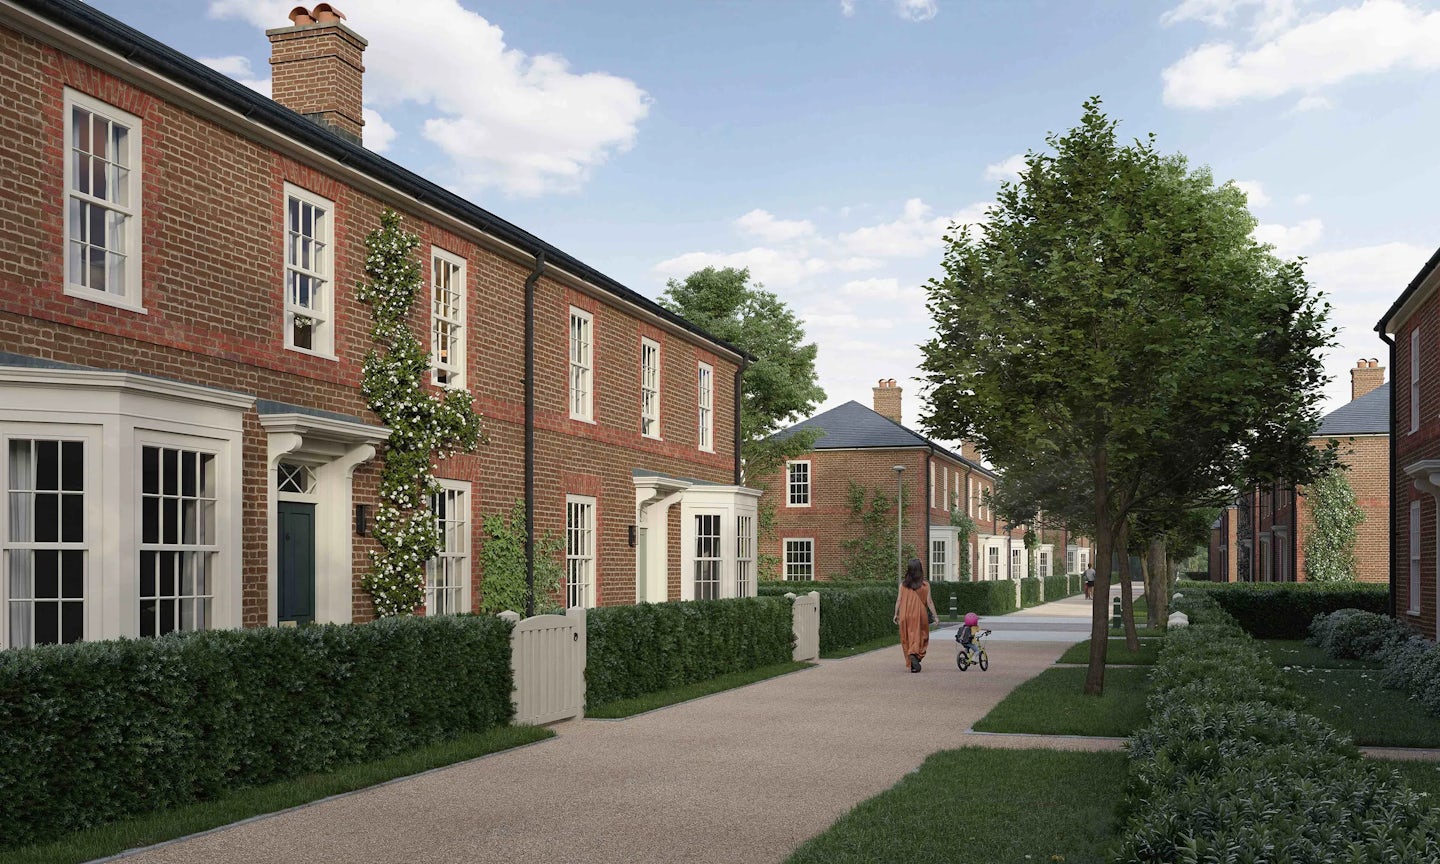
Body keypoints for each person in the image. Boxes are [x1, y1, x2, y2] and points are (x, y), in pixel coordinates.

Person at [893, 558, 938, 673]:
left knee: (907, 636)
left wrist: (896, 614)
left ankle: (912, 658)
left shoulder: (902, 585)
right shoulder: (925, 585)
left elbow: (899, 600)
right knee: (921, 635)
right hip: (919, 613)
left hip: (905, 614)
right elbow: (929, 602)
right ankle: (915, 655)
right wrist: (935, 616)